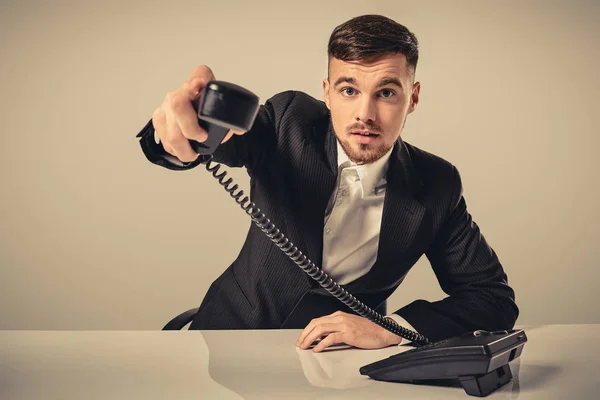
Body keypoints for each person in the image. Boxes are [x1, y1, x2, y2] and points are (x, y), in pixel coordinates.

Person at [136, 14, 518, 353]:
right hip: (227, 340)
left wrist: (391, 329)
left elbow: (492, 297)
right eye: (349, 90)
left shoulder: (437, 183)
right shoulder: (290, 121)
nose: (365, 114)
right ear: (327, 92)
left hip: (342, 365)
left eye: (386, 93)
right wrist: (183, 137)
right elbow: (231, 140)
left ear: (413, 98)